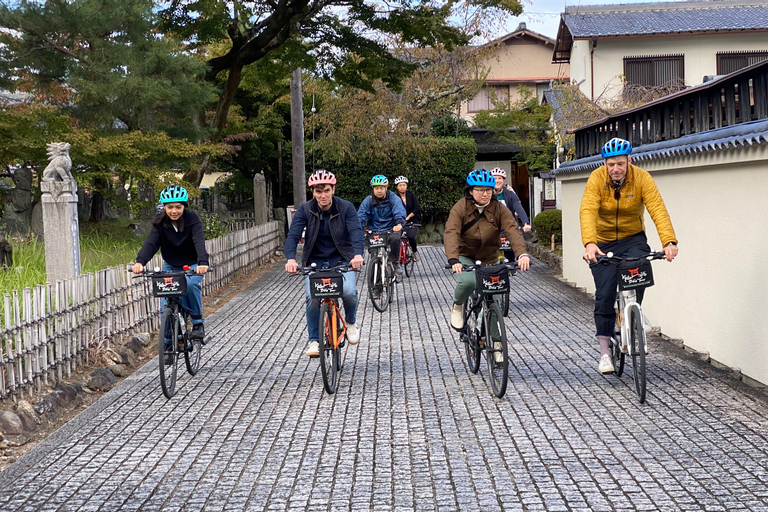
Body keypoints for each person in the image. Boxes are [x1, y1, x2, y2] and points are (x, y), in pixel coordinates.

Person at [580, 137, 678, 375]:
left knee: (639, 270)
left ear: (629, 161)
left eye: (620, 163)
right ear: (605, 163)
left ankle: (630, 314)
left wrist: (669, 240)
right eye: (611, 164)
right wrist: (590, 243)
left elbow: (657, 208)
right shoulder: (596, 179)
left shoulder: (642, 178)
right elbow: (588, 209)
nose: (615, 169)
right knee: (604, 295)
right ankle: (605, 352)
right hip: (602, 240)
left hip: (633, 238)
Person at [285, 170, 365, 358]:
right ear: (312, 192)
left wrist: (358, 255)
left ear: (333, 189)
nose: (323, 195)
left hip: (342, 259)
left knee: (349, 292)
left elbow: (356, 231)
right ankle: (314, 340)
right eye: (318, 191)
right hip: (315, 262)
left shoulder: (346, 208)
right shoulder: (305, 210)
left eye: (326, 190)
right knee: (312, 297)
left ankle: (351, 323)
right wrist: (290, 259)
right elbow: (293, 235)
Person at [444, 169, 531, 333]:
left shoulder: (499, 208)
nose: (485, 194)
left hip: (489, 256)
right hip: (465, 255)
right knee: (468, 282)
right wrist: (453, 259)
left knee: (494, 298)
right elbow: (451, 232)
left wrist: (522, 254)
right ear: (471, 191)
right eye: (480, 190)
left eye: (488, 190)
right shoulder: (460, 207)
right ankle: (458, 304)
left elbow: (512, 230)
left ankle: (496, 343)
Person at [132, 185, 210, 354]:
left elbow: (199, 241)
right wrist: (140, 262)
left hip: (192, 264)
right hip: (171, 264)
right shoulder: (160, 223)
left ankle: (197, 323)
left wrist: (203, 262)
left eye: (178, 207)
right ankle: (167, 342)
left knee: (190, 286)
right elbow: (151, 243)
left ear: (184, 206)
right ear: (164, 207)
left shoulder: (192, 219)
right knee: (164, 303)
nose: (174, 211)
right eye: (170, 207)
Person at [357, 174, 407, 281]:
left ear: (386, 188)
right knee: (374, 257)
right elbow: (361, 215)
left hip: (391, 228)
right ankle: (375, 288)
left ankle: (395, 262)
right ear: (373, 189)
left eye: (381, 188)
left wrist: (398, 224)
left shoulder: (394, 198)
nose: (379, 190)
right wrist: (357, 227)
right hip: (374, 230)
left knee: (395, 239)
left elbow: (399, 211)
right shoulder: (368, 200)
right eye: (376, 188)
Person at [394, 175, 422, 262]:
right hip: (399, 222)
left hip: (412, 222)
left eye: (404, 185)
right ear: (397, 187)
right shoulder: (395, 197)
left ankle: (414, 251)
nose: (402, 187)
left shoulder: (411, 195)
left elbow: (417, 208)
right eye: (400, 185)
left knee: (411, 236)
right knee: (395, 238)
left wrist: (408, 217)